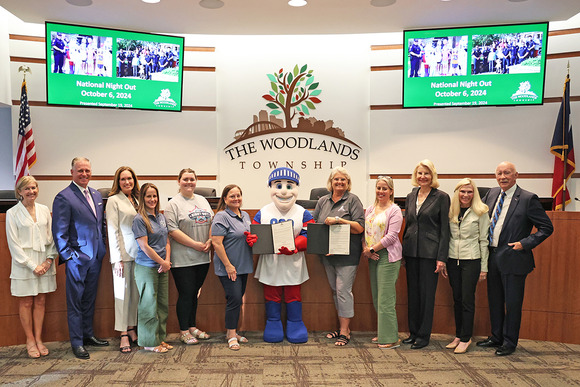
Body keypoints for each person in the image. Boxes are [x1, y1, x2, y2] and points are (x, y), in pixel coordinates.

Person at [477, 162, 553, 356]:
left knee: (512, 303)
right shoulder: (491, 194)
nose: (503, 176)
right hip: (492, 256)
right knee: (494, 300)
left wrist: (525, 243)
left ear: (516, 175)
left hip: (514, 258)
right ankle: (496, 337)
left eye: (507, 173)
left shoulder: (528, 199)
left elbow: (546, 228)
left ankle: (509, 342)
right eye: (499, 173)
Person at [52, 157, 108, 360]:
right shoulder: (64, 197)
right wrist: (69, 256)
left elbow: (99, 224)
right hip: (77, 259)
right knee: (75, 302)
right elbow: (59, 231)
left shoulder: (96, 194)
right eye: (80, 171)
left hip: (96, 257)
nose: (84, 174)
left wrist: (102, 247)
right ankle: (76, 342)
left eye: (87, 170)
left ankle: (87, 335)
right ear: (72, 172)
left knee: (89, 299)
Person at [251, 167, 313, 344]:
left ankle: (295, 322)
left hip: (294, 261)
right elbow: (255, 232)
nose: (284, 191)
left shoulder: (302, 212)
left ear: (296, 188)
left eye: (289, 185)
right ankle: (273, 322)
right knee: (271, 293)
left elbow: (310, 234)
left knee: (294, 293)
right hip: (271, 261)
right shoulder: (263, 212)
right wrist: (252, 239)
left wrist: (294, 247)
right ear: (271, 188)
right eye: (278, 185)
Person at [313, 167, 365, 346]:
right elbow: (316, 227)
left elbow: (359, 228)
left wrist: (339, 220)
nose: (339, 182)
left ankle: (344, 332)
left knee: (343, 291)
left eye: (343, 180)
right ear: (331, 182)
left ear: (348, 183)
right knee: (336, 291)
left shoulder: (353, 200)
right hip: (328, 255)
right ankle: (345, 328)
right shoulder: (322, 201)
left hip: (347, 255)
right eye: (336, 179)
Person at [6, 176, 57, 358]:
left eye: (34, 188)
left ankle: (39, 339)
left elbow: (51, 238)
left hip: (44, 261)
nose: (31, 192)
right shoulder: (13, 213)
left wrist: (48, 261)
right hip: (24, 263)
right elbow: (14, 245)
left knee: (41, 301)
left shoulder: (44, 210)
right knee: (26, 302)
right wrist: (32, 265)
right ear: (19, 191)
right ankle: (29, 340)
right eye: (27, 189)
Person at [402, 159, 450, 349]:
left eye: (426, 173)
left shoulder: (441, 197)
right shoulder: (410, 195)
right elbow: (409, 225)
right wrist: (404, 252)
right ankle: (413, 332)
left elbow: (445, 230)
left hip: (431, 254)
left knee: (426, 295)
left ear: (433, 176)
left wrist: (442, 257)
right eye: (420, 173)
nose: (423, 177)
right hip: (411, 251)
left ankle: (423, 336)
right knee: (413, 294)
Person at [164, 169, 213, 345]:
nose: (189, 182)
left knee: (194, 293)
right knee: (185, 293)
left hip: (203, 257)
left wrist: (209, 240)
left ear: (196, 181)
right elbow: (172, 230)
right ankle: (183, 330)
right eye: (185, 179)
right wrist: (195, 245)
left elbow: (211, 222)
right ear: (178, 181)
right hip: (182, 258)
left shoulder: (203, 200)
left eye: (192, 179)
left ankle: (192, 326)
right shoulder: (173, 204)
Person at [446, 178, 490, 354]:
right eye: (462, 191)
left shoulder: (481, 211)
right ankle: (458, 335)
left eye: (469, 192)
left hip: (471, 260)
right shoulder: (451, 212)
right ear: (457, 193)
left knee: (467, 299)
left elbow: (484, 240)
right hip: (452, 259)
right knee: (456, 298)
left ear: (475, 193)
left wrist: (484, 267)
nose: (466, 195)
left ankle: (466, 338)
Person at [362, 176, 403, 349]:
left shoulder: (395, 210)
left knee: (386, 298)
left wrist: (372, 250)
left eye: (385, 188)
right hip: (372, 255)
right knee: (377, 297)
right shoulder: (371, 208)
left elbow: (392, 236)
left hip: (388, 256)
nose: (381, 191)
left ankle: (391, 338)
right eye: (378, 188)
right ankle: (384, 333)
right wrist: (366, 250)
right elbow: (364, 232)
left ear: (391, 191)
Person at [211, 185, 253, 350]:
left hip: (244, 265)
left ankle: (233, 332)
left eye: (238, 196)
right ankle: (231, 334)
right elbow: (216, 242)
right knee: (234, 299)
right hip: (229, 267)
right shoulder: (221, 216)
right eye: (232, 196)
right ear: (225, 199)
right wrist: (228, 265)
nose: (236, 199)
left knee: (238, 298)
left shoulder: (245, 216)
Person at [132, 183, 173, 353]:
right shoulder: (139, 219)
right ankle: (149, 342)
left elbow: (167, 241)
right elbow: (144, 246)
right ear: (143, 198)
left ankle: (159, 338)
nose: (152, 199)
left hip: (163, 267)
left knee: (162, 305)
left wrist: (167, 261)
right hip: (147, 267)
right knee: (148, 305)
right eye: (148, 196)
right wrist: (161, 262)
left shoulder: (161, 217)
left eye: (154, 196)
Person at [106, 166, 140, 353]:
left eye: (130, 178)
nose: (127, 182)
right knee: (122, 295)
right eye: (123, 179)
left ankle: (132, 328)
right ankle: (123, 334)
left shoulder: (137, 199)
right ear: (118, 182)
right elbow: (112, 230)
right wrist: (116, 259)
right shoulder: (113, 200)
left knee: (135, 295)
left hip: (139, 254)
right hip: (122, 256)